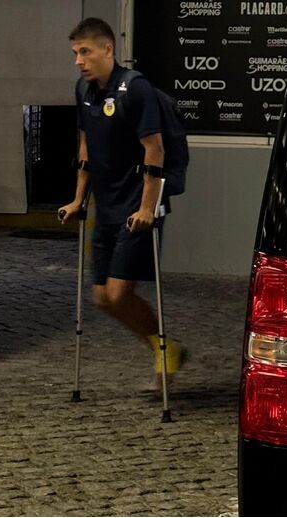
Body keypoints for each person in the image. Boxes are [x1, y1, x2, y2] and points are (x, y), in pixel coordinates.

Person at [59, 18, 184, 389]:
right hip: (106, 204)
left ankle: (166, 349)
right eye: (75, 53)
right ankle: (163, 345)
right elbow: (85, 147)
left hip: (137, 205)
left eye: (85, 52)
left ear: (108, 49)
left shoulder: (136, 89)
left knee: (117, 293)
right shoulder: (84, 89)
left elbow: (155, 148)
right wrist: (79, 199)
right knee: (101, 298)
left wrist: (148, 208)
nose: (79, 61)